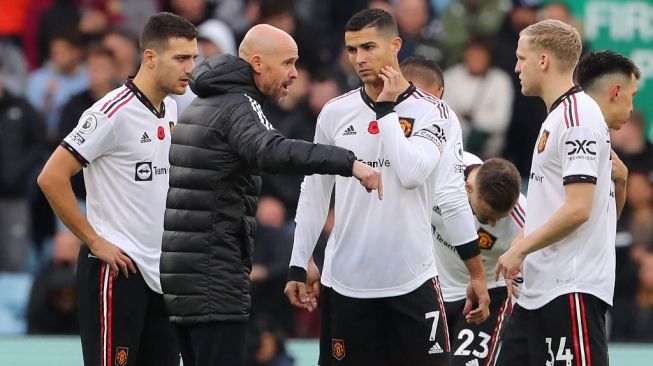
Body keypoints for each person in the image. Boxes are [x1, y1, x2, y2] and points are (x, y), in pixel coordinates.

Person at [160, 24, 382, 366]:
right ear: (259, 64)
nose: (295, 74)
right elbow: (272, 150)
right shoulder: (238, 103)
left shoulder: (205, 102)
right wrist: (348, 162)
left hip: (186, 275)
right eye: (288, 63)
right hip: (213, 277)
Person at [286, 9, 489, 366]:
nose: (359, 59)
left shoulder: (435, 113)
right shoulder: (335, 113)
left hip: (413, 282)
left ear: (395, 45)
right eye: (352, 50)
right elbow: (315, 191)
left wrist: (476, 272)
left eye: (368, 47)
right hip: (346, 284)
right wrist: (298, 262)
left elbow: (423, 180)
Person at [37, 12, 198, 366]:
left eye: (194, 58)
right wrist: (94, 241)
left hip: (162, 272)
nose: (191, 67)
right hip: (117, 270)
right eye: (181, 58)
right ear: (150, 58)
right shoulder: (111, 113)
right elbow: (51, 177)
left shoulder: (170, 108)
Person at [494, 20, 619, 366]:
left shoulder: (577, 117)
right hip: (538, 289)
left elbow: (579, 209)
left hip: (570, 286)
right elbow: (552, 204)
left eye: (522, 58)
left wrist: (521, 248)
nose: (516, 67)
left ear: (544, 61)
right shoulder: (557, 116)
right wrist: (524, 251)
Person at [432, 153, 525, 366]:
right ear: (468, 187)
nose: (492, 224)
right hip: (432, 288)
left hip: (488, 296)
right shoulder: (441, 170)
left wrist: (520, 257)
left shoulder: (523, 216)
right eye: (484, 216)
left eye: (499, 218)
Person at [575, 50, 641, 219]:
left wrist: (622, 182)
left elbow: (606, 224)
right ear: (616, 92)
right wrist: (521, 247)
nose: (632, 107)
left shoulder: (599, 135)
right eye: (632, 96)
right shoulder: (579, 132)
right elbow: (577, 213)